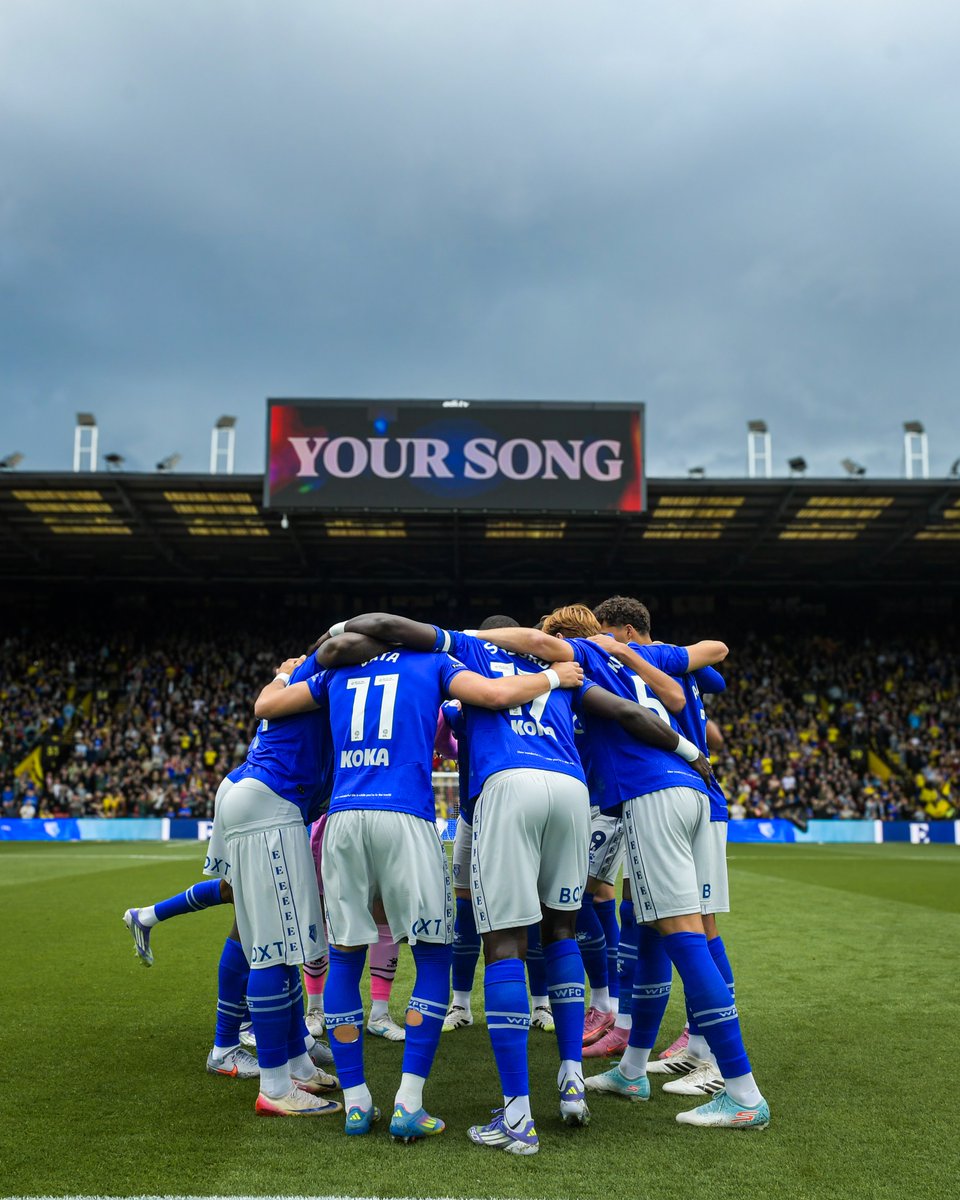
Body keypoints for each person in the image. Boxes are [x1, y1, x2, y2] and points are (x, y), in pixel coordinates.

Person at [337, 613, 708, 1155]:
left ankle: (517, 1116)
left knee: (505, 942)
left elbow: (418, 669)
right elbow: (628, 711)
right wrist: (692, 753)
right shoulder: (566, 665)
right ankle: (572, 1081)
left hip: (507, 786)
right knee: (562, 931)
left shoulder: (467, 656)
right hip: (569, 789)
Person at [255, 627, 584, 1143]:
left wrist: (286, 668)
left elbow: (268, 707)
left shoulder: (336, 670)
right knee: (432, 955)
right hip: (405, 817)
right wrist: (552, 676)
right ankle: (409, 1101)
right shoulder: (434, 662)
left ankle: (357, 1102)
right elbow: (495, 696)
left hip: (342, 819)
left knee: (345, 956)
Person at [535, 598, 768, 1131]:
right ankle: (634, 1067)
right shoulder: (647, 656)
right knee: (655, 930)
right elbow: (710, 681)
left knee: (689, 934)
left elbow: (637, 700)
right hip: (690, 790)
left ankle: (736, 1084)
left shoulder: (589, 658)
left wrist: (452, 638)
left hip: (652, 792)